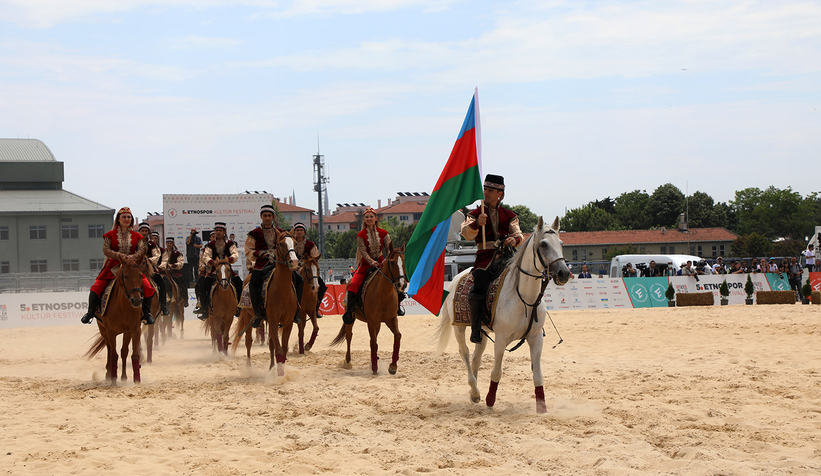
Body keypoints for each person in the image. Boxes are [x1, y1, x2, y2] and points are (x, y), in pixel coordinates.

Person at [460, 174, 524, 343]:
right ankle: (476, 327)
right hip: (485, 256)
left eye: (490, 191)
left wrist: (514, 239)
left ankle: (531, 320)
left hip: (506, 255)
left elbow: (519, 235)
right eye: (485, 189)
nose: (486, 193)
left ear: (500, 194)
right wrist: (476, 224)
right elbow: (465, 234)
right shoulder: (475, 214)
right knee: (480, 281)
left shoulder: (509, 215)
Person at [80, 207, 155, 325]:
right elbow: (106, 250)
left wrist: (132, 257)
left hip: (132, 266)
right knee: (96, 287)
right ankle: (90, 312)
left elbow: (142, 250)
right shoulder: (110, 235)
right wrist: (119, 255)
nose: (126, 219)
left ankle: (147, 313)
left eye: (129, 217)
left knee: (148, 287)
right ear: (118, 219)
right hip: (113, 266)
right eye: (124, 217)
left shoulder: (137, 236)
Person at [341, 207, 404, 325]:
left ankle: (397, 307)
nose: (369, 219)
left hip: (381, 262)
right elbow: (363, 251)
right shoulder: (360, 235)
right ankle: (349, 311)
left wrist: (386, 259)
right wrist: (371, 262)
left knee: (396, 280)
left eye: (371, 217)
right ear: (364, 219)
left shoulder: (384, 233)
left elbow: (389, 247)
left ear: (376, 218)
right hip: (365, 264)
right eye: (367, 217)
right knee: (353, 284)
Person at [195, 222, 243, 321]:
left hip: (227, 270)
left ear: (224, 232)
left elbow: (235, 254)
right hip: (214, 271)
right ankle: (204, 310)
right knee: (203, 286)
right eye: (216, 230)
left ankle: (239, 307)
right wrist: (211, 262)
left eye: (220, 230)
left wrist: (229, 260)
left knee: (239, 283)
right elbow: (206, 256)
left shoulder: (230, 244)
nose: (218, 232)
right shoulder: (210, 245)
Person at [246, 204, 284, 328]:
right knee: (253, 284)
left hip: (279, 264)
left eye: (269, 215)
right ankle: (257, 313)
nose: (267, 218)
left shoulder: (281, 232)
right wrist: (260, 253)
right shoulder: (254, 233)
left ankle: (296, 311)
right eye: (265, 216)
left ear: (273, 217)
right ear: (261, 217)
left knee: (298, 279)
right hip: (262, 264)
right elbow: (249, 250)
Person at [292, 222, 328, 318]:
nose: (299, 232)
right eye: (297, 230)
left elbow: (315, 257)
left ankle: (315, 308)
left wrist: (307, 264)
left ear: (304, 232)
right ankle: (290, 310)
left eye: (301, 230)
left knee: (322, 286)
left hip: (307, 269)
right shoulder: (290, 243)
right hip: (293, 269)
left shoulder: (310, 244)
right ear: (294, 232)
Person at [138, 223, 169, 316]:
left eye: (146, 231)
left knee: (162, 284)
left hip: (149, 269)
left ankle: (163, 306)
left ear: (148, 232)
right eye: (142, 231)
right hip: (136, 269)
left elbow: (156, 256)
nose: (144, 233)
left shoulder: (152, 244)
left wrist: (146, 261)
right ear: (139, 231)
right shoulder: (134, 242)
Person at [159, 237, 188, 308]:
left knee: (183, 285)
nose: (169, 244)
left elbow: (181, 263)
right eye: (168, 243)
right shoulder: (161, 252)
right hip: (163, 272)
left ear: (173, 244)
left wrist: (172, 265)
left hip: (174, 272)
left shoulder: (177, 253)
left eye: (170, 243)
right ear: (166, 244)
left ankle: (185, 300)